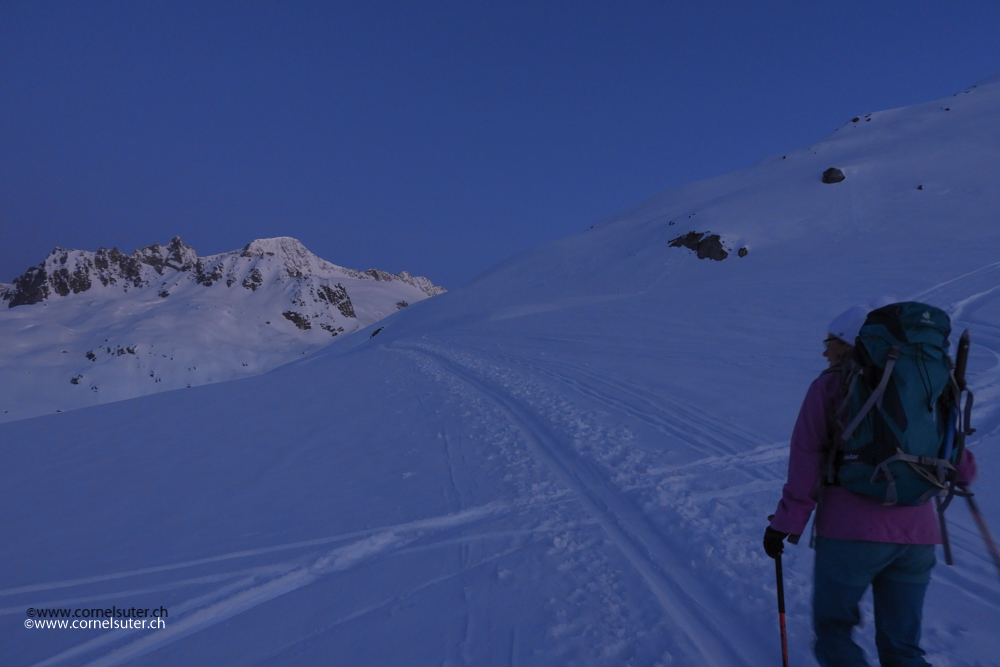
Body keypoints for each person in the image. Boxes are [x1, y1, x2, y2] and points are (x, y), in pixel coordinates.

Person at [764, 306, 977, 667]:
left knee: (835, 632)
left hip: (851, 533)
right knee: (904, 647)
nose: (824, 351)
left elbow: (806, 457)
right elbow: (961, 465)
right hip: (918, 536)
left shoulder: (832, 384)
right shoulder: (931, 382)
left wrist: (786, 523)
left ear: (849, 341)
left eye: (828, 342)